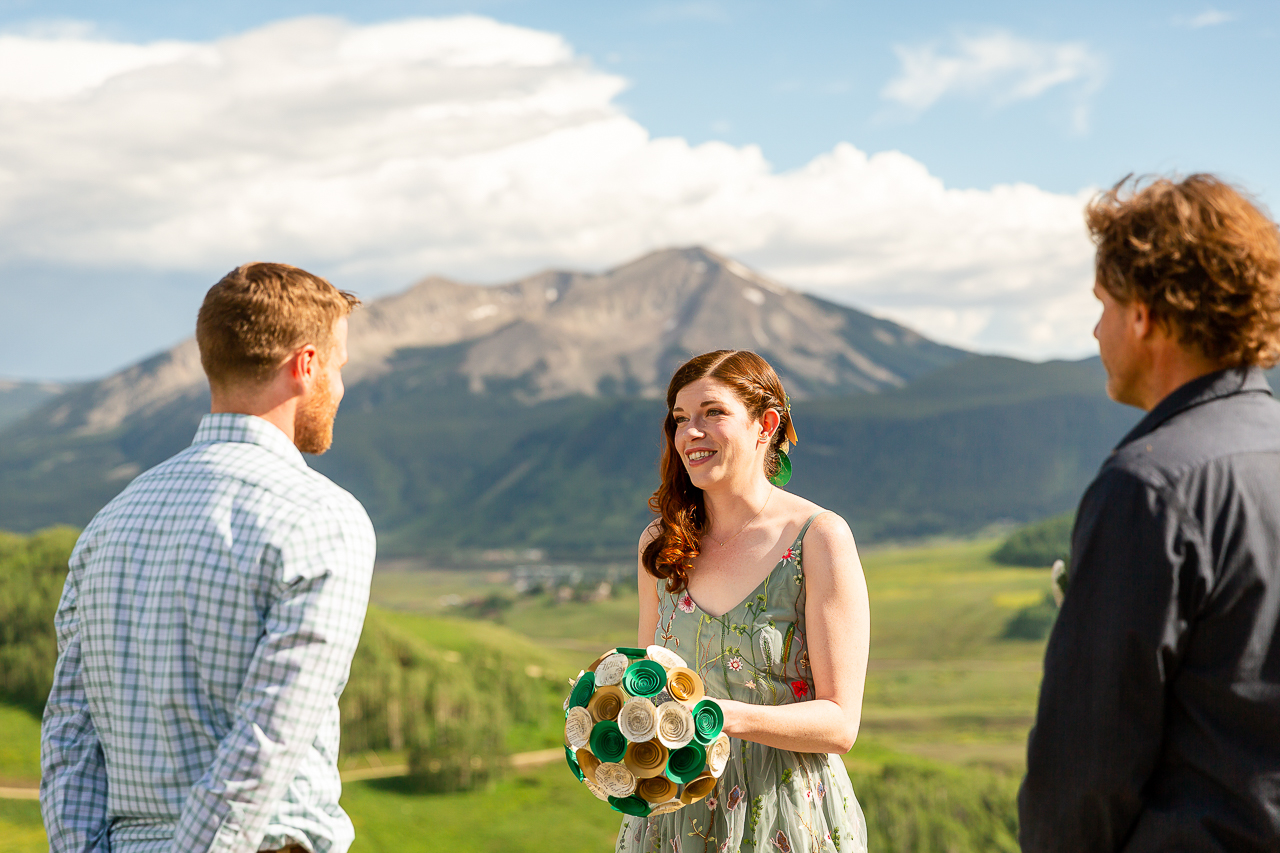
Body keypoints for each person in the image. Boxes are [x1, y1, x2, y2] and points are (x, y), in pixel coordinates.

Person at [40, 263, 377, 853]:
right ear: (306, 365)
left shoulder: (109, 523)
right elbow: (270, 734)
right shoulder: (323, 517)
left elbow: (69, 732)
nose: (341, 388)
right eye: (339, 367)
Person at [1019, 175, 1280, 851]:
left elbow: (1084, 770)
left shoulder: (1150, 488)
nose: (1096, 326)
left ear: (1145, 315)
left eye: (1103, 303)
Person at [618, 349, 870, 853]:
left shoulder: (819, 539)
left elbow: (840, 723)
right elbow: (648, 687)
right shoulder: (659, 544)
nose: (691, 432)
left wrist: (718, 716)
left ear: (765, 425)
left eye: (713, 413)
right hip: (673, 819)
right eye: (680, 419)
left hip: (787, 817)